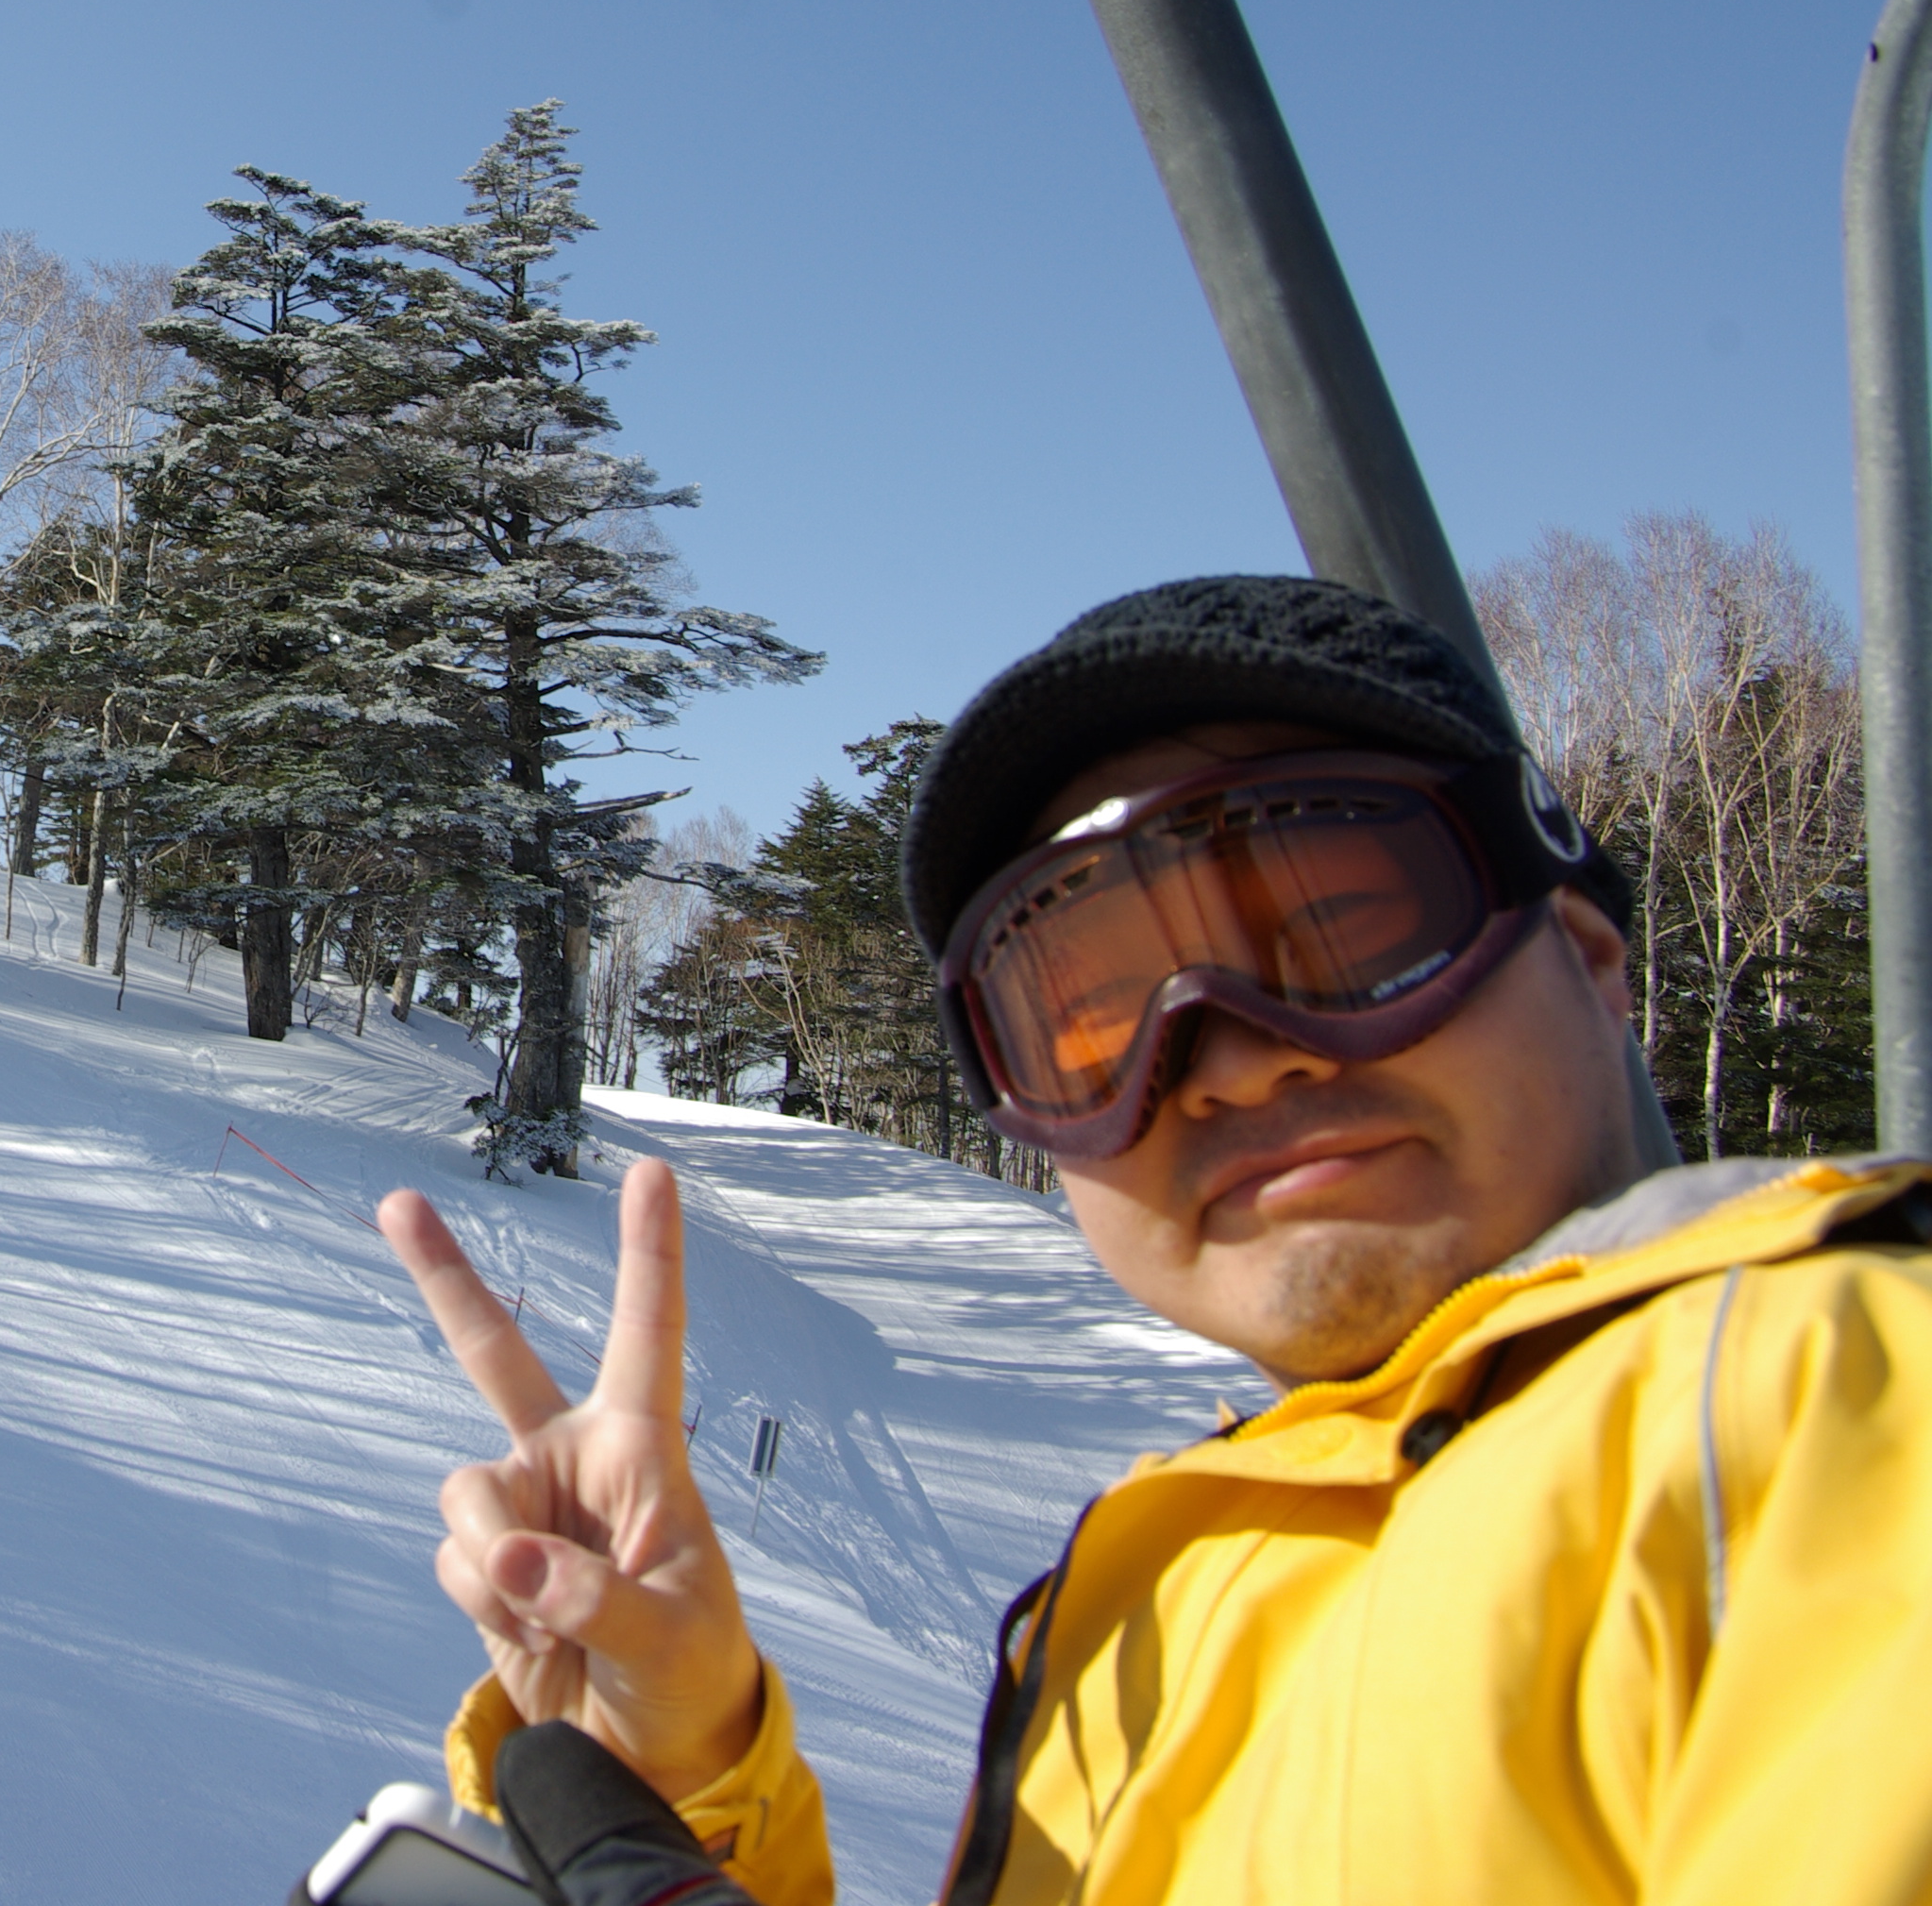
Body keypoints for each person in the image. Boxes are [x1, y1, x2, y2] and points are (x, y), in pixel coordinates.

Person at [377, 575, 1932, 1906]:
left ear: (1588, 959)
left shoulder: (1831, 1402)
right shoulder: (1156, 1599)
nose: (1234, 1059)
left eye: (1341, 929)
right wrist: (690, 1778)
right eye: (1097, 1015)